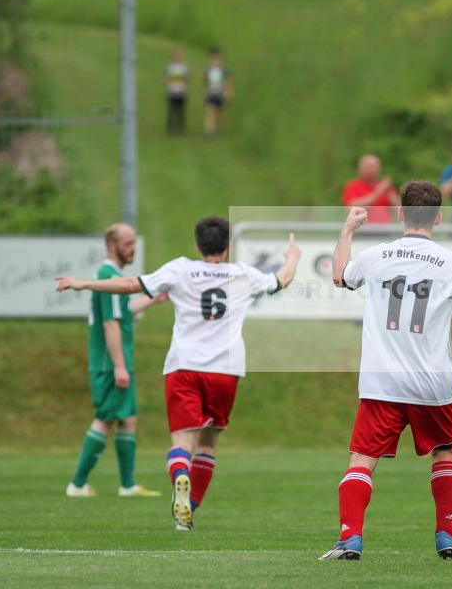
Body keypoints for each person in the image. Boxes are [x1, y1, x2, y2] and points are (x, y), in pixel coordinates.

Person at [55, 217, 301, 531]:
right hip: (225, 370)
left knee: (182, 444)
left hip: (184, 367)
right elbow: (281, 279)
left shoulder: (181, 269)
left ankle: (180, 479)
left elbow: (130, 285)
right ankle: (189, 511)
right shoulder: (243, 274)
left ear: (198, 245)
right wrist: (292, 256)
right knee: (208, 445)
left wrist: (84, 283)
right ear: (228, 247)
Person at [320, 181, 452, 561]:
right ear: (438, 217)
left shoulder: (377, 256)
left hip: (381, 382)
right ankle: (447, 537)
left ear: (401, 214)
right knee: (444, 452)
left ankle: (350, 540)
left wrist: (347, 230)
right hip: (432, 382)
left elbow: (340, 275)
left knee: (362, 460)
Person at [64, 223, 167, 499]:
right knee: (104, 419)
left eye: (134, 243)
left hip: (118, 360)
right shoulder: (107, 275)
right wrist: (120, 366)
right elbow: (110, 324)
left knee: (128, 418)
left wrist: (152, 301)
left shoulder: (112, 276)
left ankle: (127, 484)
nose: (132, 249)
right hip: (111, 362)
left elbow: (125, 311)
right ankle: (77, 484)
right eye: (127, 244)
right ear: (112, 245)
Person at [342, 154, 399, 225]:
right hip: (360, 230)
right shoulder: (352, 186)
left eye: (373, 167)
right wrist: (378, 193)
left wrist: (390, 195)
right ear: (360, 169)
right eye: (368, 167)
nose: (371, 170)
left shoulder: (385, 188)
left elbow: (399, 210)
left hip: (383, 231)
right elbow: (350, 208)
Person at [203, 47, 232, 137]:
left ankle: (219, 128)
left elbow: (227, 80)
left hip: (220, 92)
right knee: (210, 111)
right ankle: (209, 131)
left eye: (217, 57)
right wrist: (205, 72)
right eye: (213, 57)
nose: (215, 59)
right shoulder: (208, 67)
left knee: (219, 113)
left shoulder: (223, 68)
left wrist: (228, 91)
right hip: (211, 93)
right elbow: (203, 79)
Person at [164, 49, 189, 134]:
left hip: (181, 92)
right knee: (171, 110)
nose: (178, 58)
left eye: (180, 56)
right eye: (177, 56)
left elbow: (187, 78)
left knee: (180, 111)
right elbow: (166, 78)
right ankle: (170, 128)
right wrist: (171, 80)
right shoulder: (169, 67)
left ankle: (180, 128)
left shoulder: (184, 67)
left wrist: (183, 80)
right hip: (172, 91)